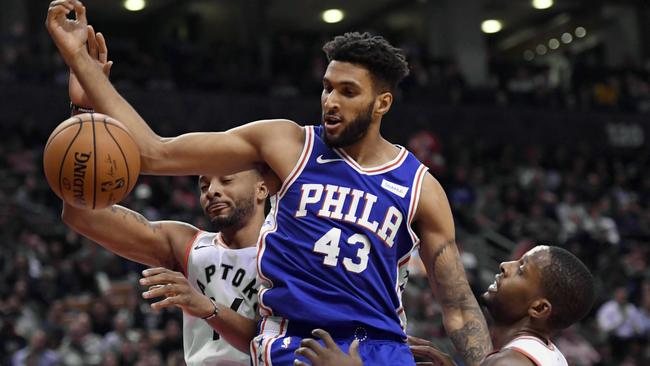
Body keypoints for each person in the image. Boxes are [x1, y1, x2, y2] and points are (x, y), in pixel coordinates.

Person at [46, 1, 492, 364]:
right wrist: (79, 62)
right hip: (294, 345)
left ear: (382, 103)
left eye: (348, 92)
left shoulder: (418, 185)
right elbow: (152, 152)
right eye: (327, 88)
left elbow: (457, 305)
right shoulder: (287, 144)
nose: (331, 102)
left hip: (377, 350)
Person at [62, 167, 269, 364]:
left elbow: (270, 343)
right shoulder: (188, 244)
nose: (212, 191)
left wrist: (206, 306)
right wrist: (81, 162)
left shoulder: (286, 255)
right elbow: (80, 215)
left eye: (226, 180)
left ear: (261, 189)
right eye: (204, 186)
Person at [400, 245, 595, 366]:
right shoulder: (550, 356)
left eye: (521, 270)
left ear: (539, 309)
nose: (505, 264)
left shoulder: (508, 363)